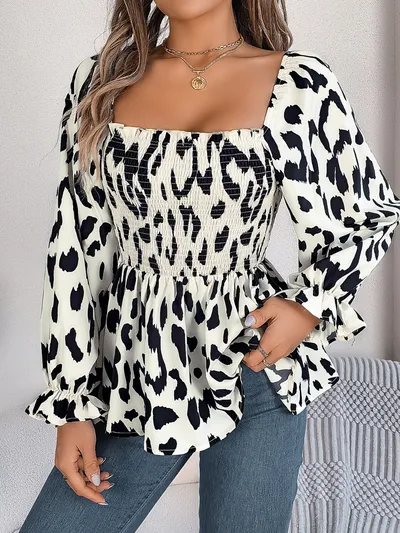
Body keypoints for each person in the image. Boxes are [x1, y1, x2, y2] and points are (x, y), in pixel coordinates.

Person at [20, 0, 400, 532]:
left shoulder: (299, 84)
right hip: (137, 374)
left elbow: (367, 216)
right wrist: (72, 404)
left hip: (254, 367)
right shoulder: (100, 83)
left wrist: (309, 304)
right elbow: (76, 251)